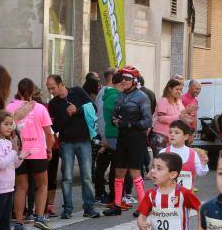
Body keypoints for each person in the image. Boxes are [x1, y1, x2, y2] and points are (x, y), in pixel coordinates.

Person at [47, 74, 100, 219]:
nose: (51, 91)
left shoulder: (77, 91)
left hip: (83, 140)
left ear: (60, 84)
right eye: (49, 89)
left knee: (87, 176)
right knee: (67, 177)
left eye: (52, 88)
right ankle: (67, 209)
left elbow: (93, 108)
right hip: (66, 142)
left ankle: (89, 208)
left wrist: (77, 110)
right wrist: (67, 115)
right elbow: (55, 127)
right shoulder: (53, 104)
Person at [103, 67, 152, 216]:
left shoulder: (142, 97)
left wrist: (127, 124)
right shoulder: (119, 96)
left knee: (135, 172)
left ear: (135, 81)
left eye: (127, 79)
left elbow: (147, 121)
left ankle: (143, 207)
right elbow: (114, 115)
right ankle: (117, 205)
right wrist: (114, 120)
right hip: (122, 137)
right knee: (119, 171)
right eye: (122, 78)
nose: (123, 81)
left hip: (136, 138)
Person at [7, 78, 54, 230]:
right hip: (38, 151)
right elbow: (49, 134)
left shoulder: (10, 107)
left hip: (19, 153)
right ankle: (39, 217)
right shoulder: (40, 108)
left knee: (21, 188)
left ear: (18, 90)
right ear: (33, 91)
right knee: (42, 185)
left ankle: (19, 223)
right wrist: (49, 149)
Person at [95, 72, 122, 204]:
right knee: (109, 167)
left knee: (106, 165)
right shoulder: (112, 96)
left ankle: (106, 194)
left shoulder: (105, 93)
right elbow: (104, 118)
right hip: (109, 135)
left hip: (107, 134)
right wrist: (104, 137)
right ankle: (104, 194)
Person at [160, 120, 209, 192]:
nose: (172, 135)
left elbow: (200, 173)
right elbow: (157, 174)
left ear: (186, 136)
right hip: (167, 195)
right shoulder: (163, 152)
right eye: (170, 132)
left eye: (176, 132)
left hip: (187, 196)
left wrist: (204, 163)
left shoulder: (192, 153)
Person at [151, 79, 186, 155]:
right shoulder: (164, 100)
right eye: (177, 89)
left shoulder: (178, 101)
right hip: (161, 136)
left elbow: (182, 115)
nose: (179, 91)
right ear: (170, 89)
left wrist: (188, 112)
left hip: (172, 137)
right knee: (161, 160)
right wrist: (179, 117)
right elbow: (161, 118)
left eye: (181, 89)